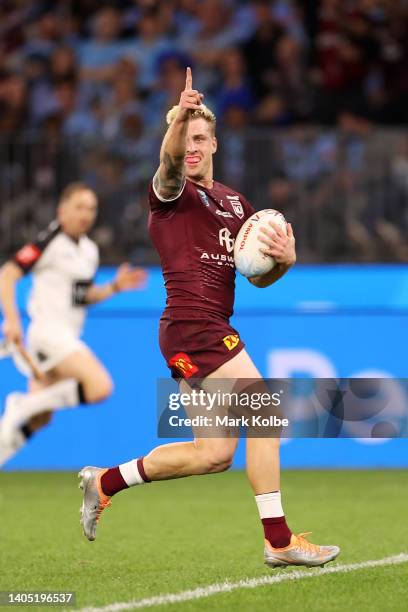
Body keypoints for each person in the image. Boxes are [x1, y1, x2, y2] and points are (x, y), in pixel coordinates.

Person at [78, 69, 340, 568]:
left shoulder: (237, 203)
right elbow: (168, 163)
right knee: (265, 409)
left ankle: (104, 481)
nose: (191, 146)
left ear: (215, 142)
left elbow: (257, 278)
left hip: (205, 329)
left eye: (200, 137)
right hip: (191, 324)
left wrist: (285, 258)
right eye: (183, 136)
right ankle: (279, 540)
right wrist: (179, 117)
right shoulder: (170, 195)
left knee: (212, 455)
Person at [0, 182, 145, 467]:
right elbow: (7, 273)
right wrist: (12, 320)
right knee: (100, 386)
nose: (86, 214)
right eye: (79, 207)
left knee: (40, 419)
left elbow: (83, 296)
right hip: (48, 335)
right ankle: (21, 404)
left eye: (91, 208)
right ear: (62, 211)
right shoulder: (50, 240)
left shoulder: (89, 250)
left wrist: (114, 287)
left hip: (64, 337)